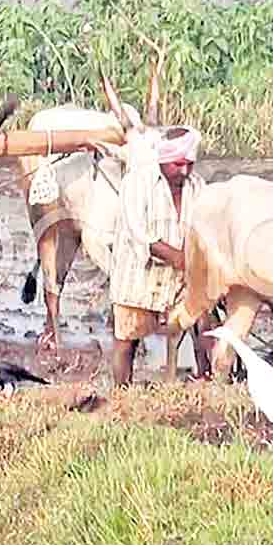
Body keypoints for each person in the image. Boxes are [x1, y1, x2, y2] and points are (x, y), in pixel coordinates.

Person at [108, 126, 211, 387]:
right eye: (178, 164)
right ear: (163, 159)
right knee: (127, 337)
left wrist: (194, 261)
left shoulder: (197, 186)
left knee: (202, 321)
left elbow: (203, 226)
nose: (185, 171)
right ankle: (121, 394)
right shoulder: (136, 183)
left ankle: (205, 379)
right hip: (139, 276)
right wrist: (179, 258)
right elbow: (138, 232)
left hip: (179, 277)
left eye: (190, 164)